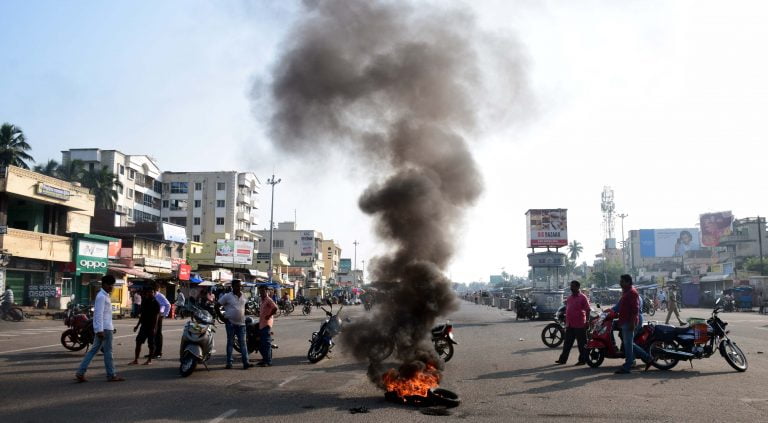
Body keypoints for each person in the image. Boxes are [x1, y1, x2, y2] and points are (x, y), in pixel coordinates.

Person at [75, 275, 125, 382]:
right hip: (105, 329)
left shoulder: (104, 295)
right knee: (108, 352)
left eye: (112, 285)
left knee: (93, 351)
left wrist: (99, 329)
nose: (111, 287)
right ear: (104, 284)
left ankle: (80, 372)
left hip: (105, 327)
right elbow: (98, 314)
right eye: (110, 285)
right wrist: (99, 330)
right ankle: (111, 375)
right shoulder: (102, 296)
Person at [614, 274, 651, 374]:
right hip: (625, 321)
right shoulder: (625, 292)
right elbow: (618, 306)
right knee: (628, 344)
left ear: (627, 282)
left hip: (629, 322)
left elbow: (635, 309)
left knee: (628, 344)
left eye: (622, 281)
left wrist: (632, 323)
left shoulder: (632, 292)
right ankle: (648, 358)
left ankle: (628, 365)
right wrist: (608, 311)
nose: (620, 283)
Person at [555, 280, 590, 366]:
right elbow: (568, 309)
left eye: (573, 286)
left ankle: (582, 360)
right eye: (571, 286)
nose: (571, 288)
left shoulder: (583, 297)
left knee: (582, 344)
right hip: (570, 324)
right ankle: (562, 359)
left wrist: (587, 321)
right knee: (567, 343)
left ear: (578, 287)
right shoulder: (569, 298)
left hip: (580, 324)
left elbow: (588, 310)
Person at [218, 279, 250, 370]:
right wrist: (221, 318)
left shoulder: (244, 295)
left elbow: (246, 305)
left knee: (243, 343)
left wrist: (246, 310)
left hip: (242, 324)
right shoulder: (227, 296)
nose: (239, 287)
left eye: (240, 286)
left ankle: (246, 362)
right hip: (230, 323)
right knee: (230, 343)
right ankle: (229, 363)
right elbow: (217, 306)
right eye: (237, 286)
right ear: (232, 286)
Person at [129, 288, 160, 365]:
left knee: (151, 344)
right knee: (138, 342)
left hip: (152, 326)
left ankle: (149, 360)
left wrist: (155, 328)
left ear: (154, 293)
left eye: (151, 292)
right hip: (144, 326)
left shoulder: (156, 303)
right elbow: (142, 315)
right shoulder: (145, 302)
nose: (150, 293)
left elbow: (156, 317)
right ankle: (136, 360)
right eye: (149, 292)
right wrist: (137, 326)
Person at [257, 287, 278, 367]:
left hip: (266, 324)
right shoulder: (262, 300)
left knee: (266, 344)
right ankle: (265, 359)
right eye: (260, 292)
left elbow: (275, 308)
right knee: (261, 344)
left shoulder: (268, 300)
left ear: (266, 291)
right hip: (262, 324)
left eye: (263, 291)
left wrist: (269, 315)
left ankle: (268, 361)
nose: (261, 293)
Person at [151, 283, 171, 359]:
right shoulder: (152, 296)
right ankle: (153, 352)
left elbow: (168, 305)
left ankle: (158, 352)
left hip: (158, 315)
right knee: (152, 334)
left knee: (158, 334)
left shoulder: (160, 296)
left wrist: (164, 314)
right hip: (152, 316)